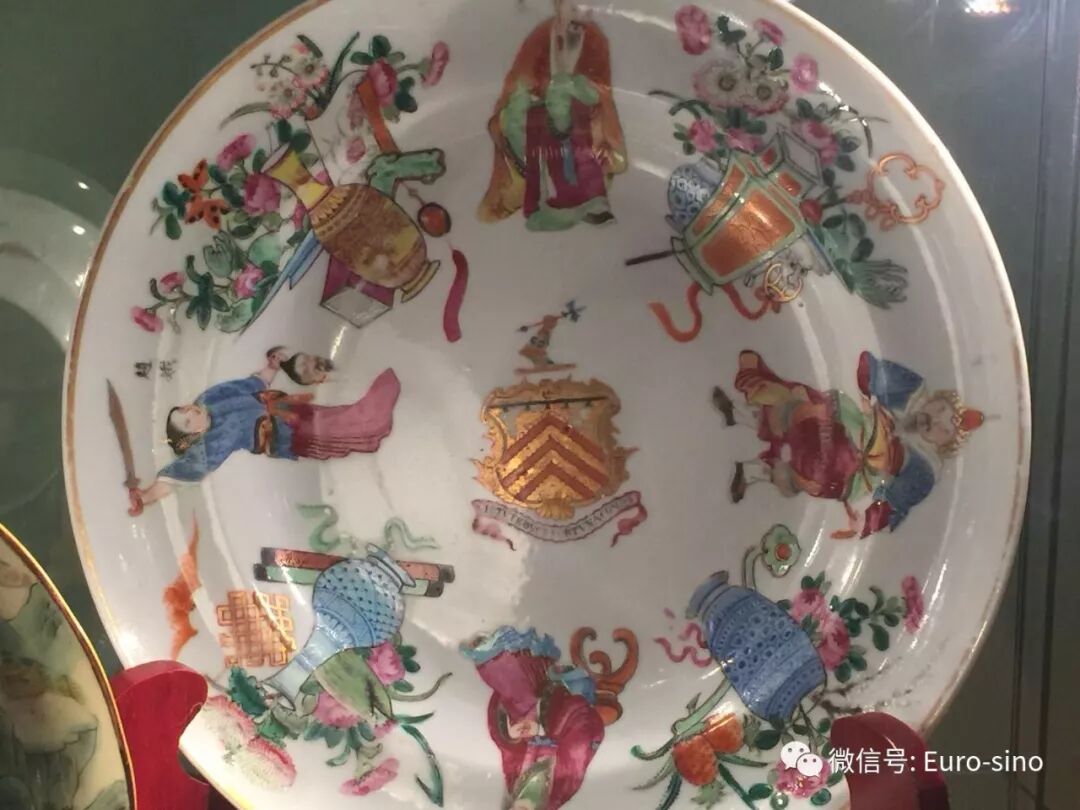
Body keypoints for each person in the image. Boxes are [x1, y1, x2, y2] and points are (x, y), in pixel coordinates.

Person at [713, 350, 985, 538]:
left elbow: (894, 503)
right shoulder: (914, 392)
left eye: (944, 430)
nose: (935, 421)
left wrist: (865, 522)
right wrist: (867, 387)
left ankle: (754, 472)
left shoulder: (925, 470)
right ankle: (742, 415)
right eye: (940, 409)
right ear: (936, 399)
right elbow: (876, 373)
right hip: (852, 422)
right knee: (800, 414)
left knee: (808, 473)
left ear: (944, 444)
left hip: (854, 472)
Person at [128, 347, 399, 514]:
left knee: (331, 416)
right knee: (331, 432)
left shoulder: (210, 398)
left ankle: (367, 414)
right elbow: (179, 474)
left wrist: (271, 368)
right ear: (193, 436)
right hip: (286, 436)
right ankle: (369, 425)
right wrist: (147, 495)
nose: (190, 413)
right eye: (187, 423)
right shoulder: (211, 443)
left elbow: (249, 385)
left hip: (287, 410)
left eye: (185, 410)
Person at [478, 0, 627, 231]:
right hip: (537, 106)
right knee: (525, 124)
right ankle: (541, 200)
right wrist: (534, 94)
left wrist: (574, 89)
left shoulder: (595, 39)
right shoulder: (542, 34)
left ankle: (585, 199)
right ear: (558, 5)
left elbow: (600, 90)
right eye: (571, 5)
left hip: (580, 109)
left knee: (577, 131)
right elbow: (521, 79)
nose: (578, 11)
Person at [460, 627, 605, 810]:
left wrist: (513, 737)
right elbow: (579, 744)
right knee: (521, 694)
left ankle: (501, 657)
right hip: (555, 715)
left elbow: (509, 752)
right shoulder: (562, 784)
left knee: (516, 694)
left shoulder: (516, 784)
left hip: (531, 713)